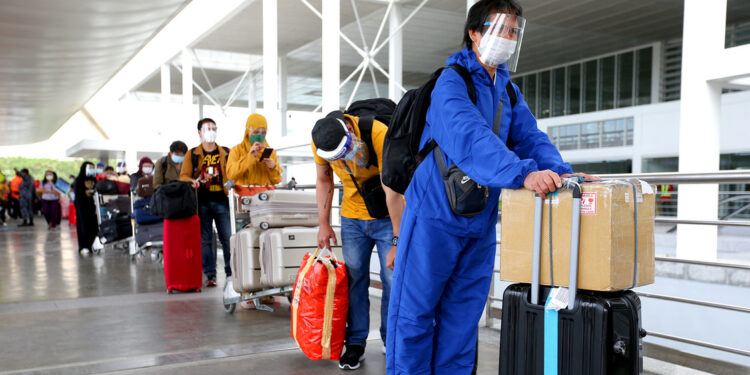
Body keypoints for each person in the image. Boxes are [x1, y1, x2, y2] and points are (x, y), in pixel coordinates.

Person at [385, 2, 595, 373]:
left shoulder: (508, 91)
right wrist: (522, 174)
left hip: (479, 223)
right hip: (433, 216)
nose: (508, 39)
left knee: (462, 322)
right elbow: (469, 136)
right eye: (501, 29)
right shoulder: (452, 82)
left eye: (514, 31)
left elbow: (530, 138)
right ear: (475, 33)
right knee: (414, 316)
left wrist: (563, 174)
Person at [311, 111, 405, 370]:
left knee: (392, 280)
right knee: (354, 280)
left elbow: (393, 191)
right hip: (352, 217)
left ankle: (392, 340)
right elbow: (323, 179)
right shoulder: (318, 140)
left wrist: (398, 240)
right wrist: (323, 223)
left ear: (349, 131)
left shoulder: (378, 134)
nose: (343, 160)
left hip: (388, 216)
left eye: (344, 152)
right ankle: (355, 344)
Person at [180, 118, 232, 288]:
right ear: (199, 132)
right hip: (202, 201)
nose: (211, 131)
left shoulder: (225, 152)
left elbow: (232, 172)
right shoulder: (192, 153)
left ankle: (231, 272)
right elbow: (184, 175)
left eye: (213, 128)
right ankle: (210, 274)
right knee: (206, 239)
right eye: (207, 128)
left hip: (222, 201)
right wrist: (193, 181)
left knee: (228, 237)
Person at [227, 113, 283, 186]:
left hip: (264, 195)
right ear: (248, 131)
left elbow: (277, 180)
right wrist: (250, 156)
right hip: (244, 195)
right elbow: (231, 175)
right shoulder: (237, 150)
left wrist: (273, 168)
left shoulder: (270, 152)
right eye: (256, 132)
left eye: (263, 132)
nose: (260, 136)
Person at [74, 162, 98, 255]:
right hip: (82, 207)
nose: (91, 169)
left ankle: (90, 245)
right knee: (83, 226)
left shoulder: (94, 179)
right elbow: (78, 195)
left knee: (93, 226)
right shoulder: (79, 180)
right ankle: (83, 246)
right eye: (90, 168)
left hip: (92, 207)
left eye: (93, 168)